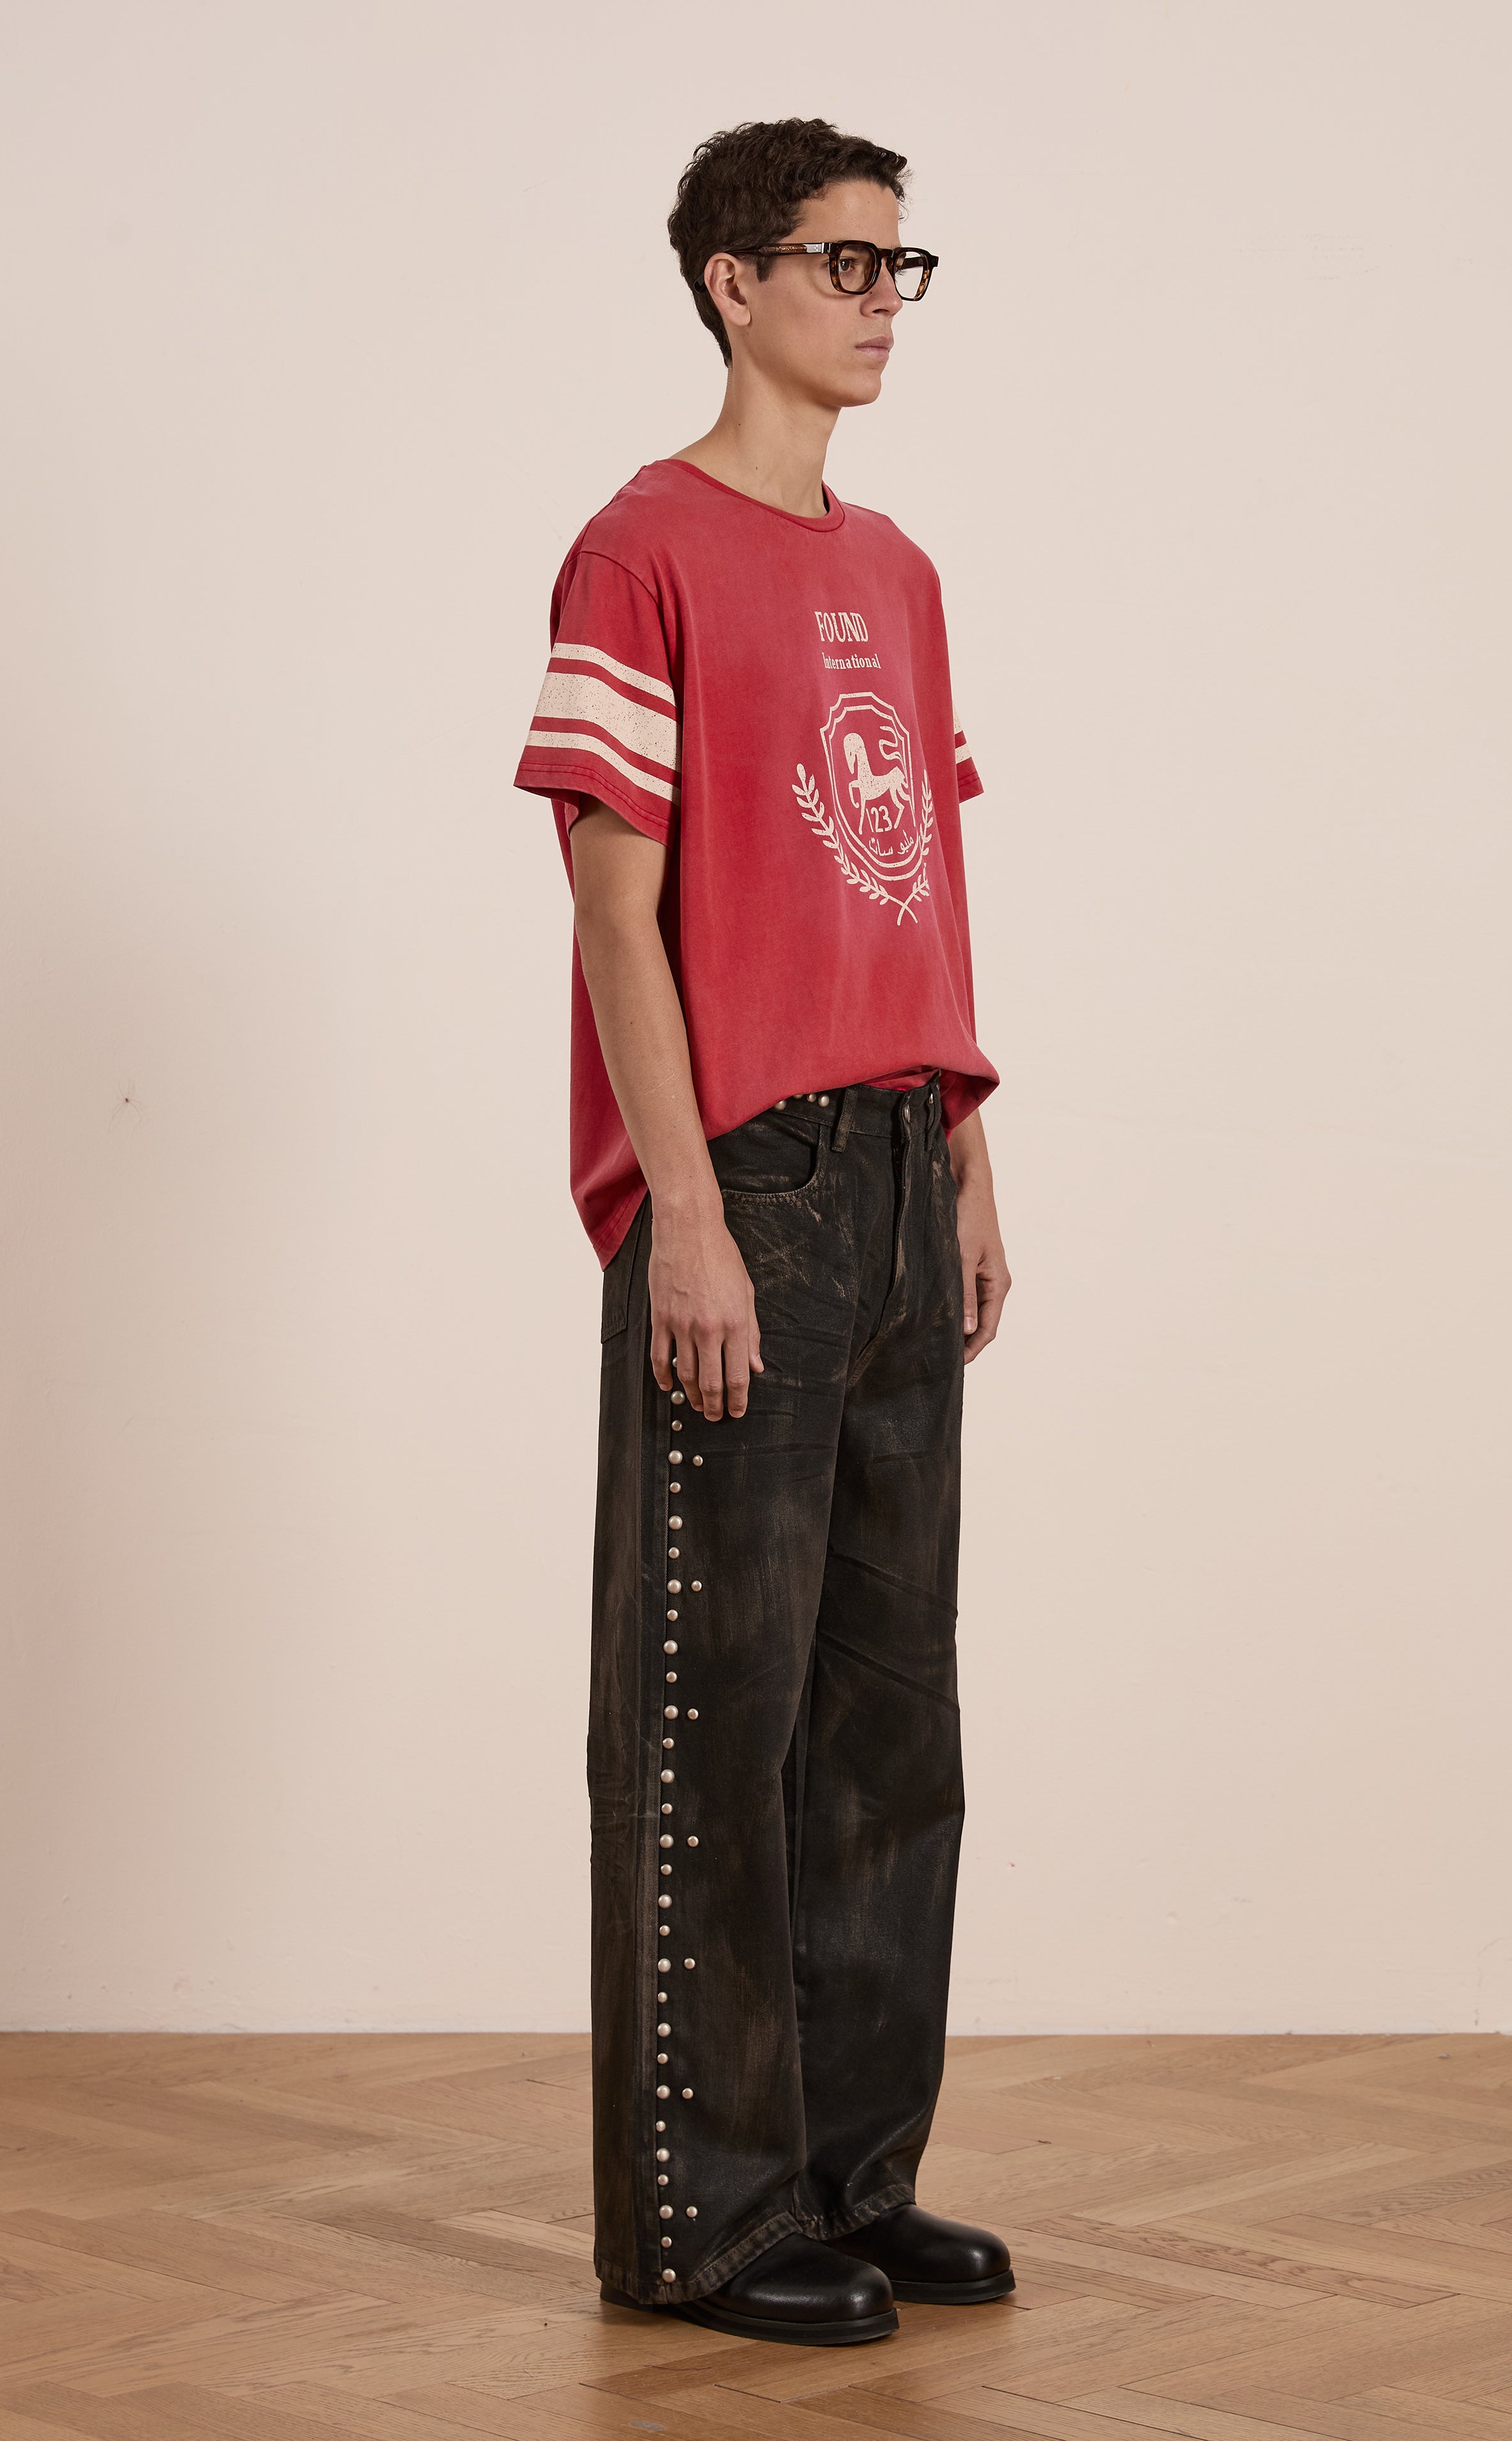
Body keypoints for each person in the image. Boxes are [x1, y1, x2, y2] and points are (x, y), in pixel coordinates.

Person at [511, 117, 1013, 2349]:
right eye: (846, 259)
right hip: (758, 1192)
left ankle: (850, 2176)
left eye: (908, 264)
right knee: (718, 1706)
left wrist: (979, 1149)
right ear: (733, 280)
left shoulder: (897, 568)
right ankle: (704, 2225)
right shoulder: (640, 549)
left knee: (892, 1720)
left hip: (905, 1167)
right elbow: (616, 914)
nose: (884, 297)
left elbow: (917, 878)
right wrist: (685, 1210)